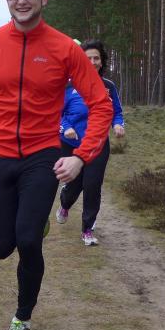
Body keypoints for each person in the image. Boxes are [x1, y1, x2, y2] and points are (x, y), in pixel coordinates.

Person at [0, 0, 113, 330]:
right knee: (1, 246)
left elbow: (101, 105)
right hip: (0, 156)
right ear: (7, 0)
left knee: (27, 241)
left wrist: (81, 157)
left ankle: (21, 320)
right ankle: (34, 221)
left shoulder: (64, 48)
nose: (21, 0)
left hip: (43, 156)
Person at [56, 40, 126, 246]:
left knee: (92, 185)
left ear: (102, 61)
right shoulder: (68, 85)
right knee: (75, 184)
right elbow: (56, 113)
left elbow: (116, 112)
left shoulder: (108, 86)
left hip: (98, 144)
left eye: (97, 58)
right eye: (88, 58)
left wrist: (118, 124)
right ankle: (65, 202)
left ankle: (87, 229)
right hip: (71, 144)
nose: (93, 62)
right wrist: (66, 127)